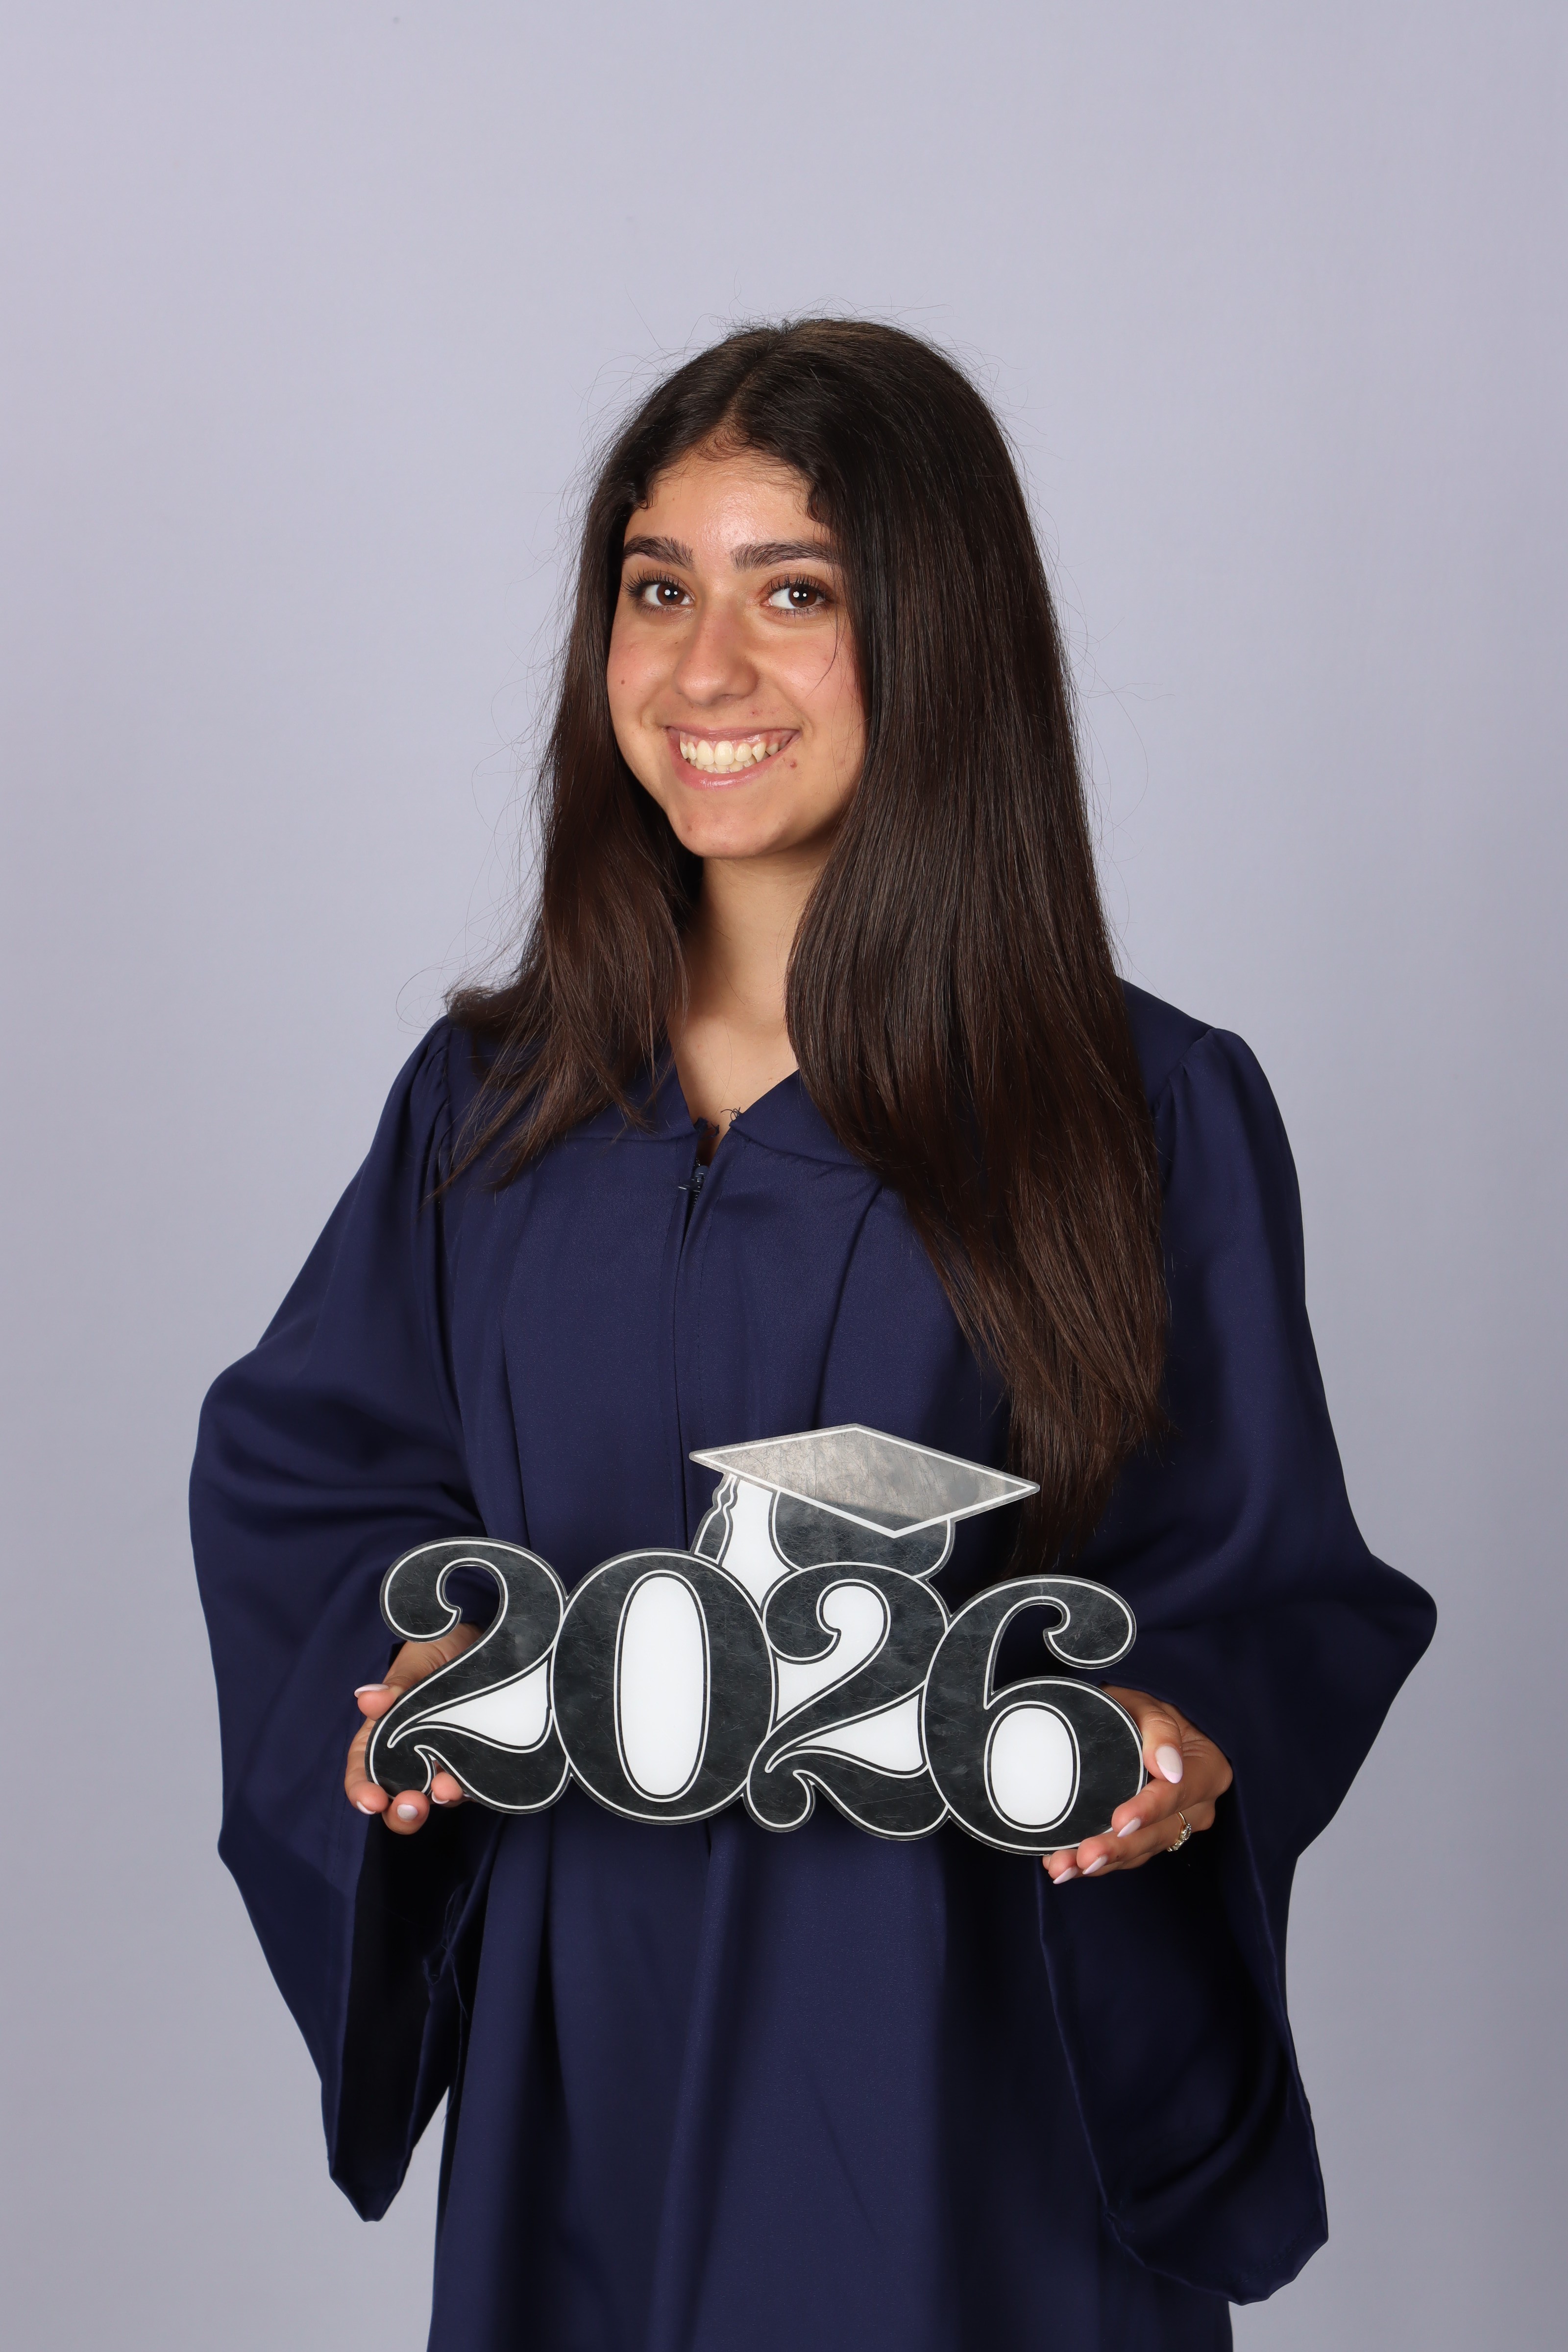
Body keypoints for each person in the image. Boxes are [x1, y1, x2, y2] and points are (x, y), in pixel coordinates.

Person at [190, 320, 1435, 2352]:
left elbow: (1260, 1576)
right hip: (587, 2029)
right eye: (655, 587)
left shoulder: (1134, 1111)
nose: (703, 670)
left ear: (937, 639)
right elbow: (317, 1474)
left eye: (794, 595)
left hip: (945, 2050)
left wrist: (1175, 1733)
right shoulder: (491, 1112)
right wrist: (406, 1663)